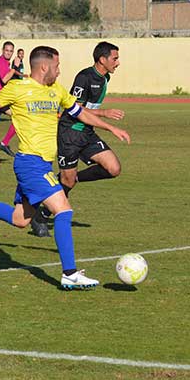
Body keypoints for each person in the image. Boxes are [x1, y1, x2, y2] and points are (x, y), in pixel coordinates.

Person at [0, 46, 131, 290]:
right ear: (44, 67)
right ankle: (70, 273)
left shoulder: (56, 90)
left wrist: (110, 128)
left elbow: (80, 112)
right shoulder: (18, 88)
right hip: (30, 164)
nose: (59, 71)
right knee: (63, 210)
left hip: (41, 164)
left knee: (20, 219)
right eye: (57, 66)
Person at [30, 41, 124, 237]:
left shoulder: (104, 77)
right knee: (68, 180)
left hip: (87, 132)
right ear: (102, 59)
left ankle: (71, 178)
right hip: (70, 133)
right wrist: (104, 113)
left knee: (113, 168)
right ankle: (41, 216)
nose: (118, 62)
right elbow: (75, 108)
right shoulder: (84, 77)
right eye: (115, 58)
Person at [0, 48, 27, 123]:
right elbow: (13, 70)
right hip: (14, 82)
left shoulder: (21, 61)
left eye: (22, 53)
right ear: (17, 54)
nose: (21, 55)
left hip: (19, 82)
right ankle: (2, 111)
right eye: (20, 53)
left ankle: (3, 111)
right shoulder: (16, 61)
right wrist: (22, 75)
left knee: (16, 99)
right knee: (15, 99)